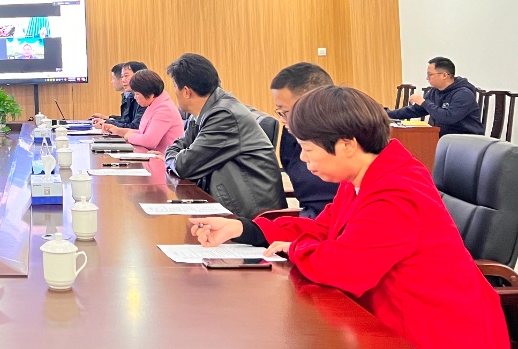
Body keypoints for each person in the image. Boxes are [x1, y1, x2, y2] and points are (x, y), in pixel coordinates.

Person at [191, 86, 508, 349]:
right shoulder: (364, 178)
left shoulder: (395, 193)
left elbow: (342, 269)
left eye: (308, 150)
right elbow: (323, 229)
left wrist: (295, 249)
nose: (303, 159)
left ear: (346, 145)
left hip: (438, 333)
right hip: (394, 320)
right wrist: (244, 229)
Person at [163, 54, 285, 219]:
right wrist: (174, 156)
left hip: (251, 217)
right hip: (230, 206)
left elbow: (184, 165)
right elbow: (178, 146)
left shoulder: (224, 115)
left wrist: (171, 157)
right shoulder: (202, 112)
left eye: (174, 87)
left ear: (186, 91)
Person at [270, 63, 340, 218]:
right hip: (309, 222)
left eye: (286, 112)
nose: (282, 120)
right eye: (279, 111)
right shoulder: (290, 137)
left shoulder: (346, 139)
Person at [387, 56, 484, 136]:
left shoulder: (464, 94)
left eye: (430, 75)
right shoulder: (435, 91)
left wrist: (424, 102)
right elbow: (416, 110)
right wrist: (386, 114)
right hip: (443, 138)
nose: (427, 78)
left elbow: (448, 118)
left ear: (444, 75)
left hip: (465, 139)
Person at [104, 69, 181, 153]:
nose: (135, 97)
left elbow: (149, 141)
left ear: (149, 93)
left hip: (164, 158)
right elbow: (142, 132)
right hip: (151, 154)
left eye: (137, 94)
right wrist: (118, 131)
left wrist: (129, 136)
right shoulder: (154, 103)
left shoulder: (164, 109)